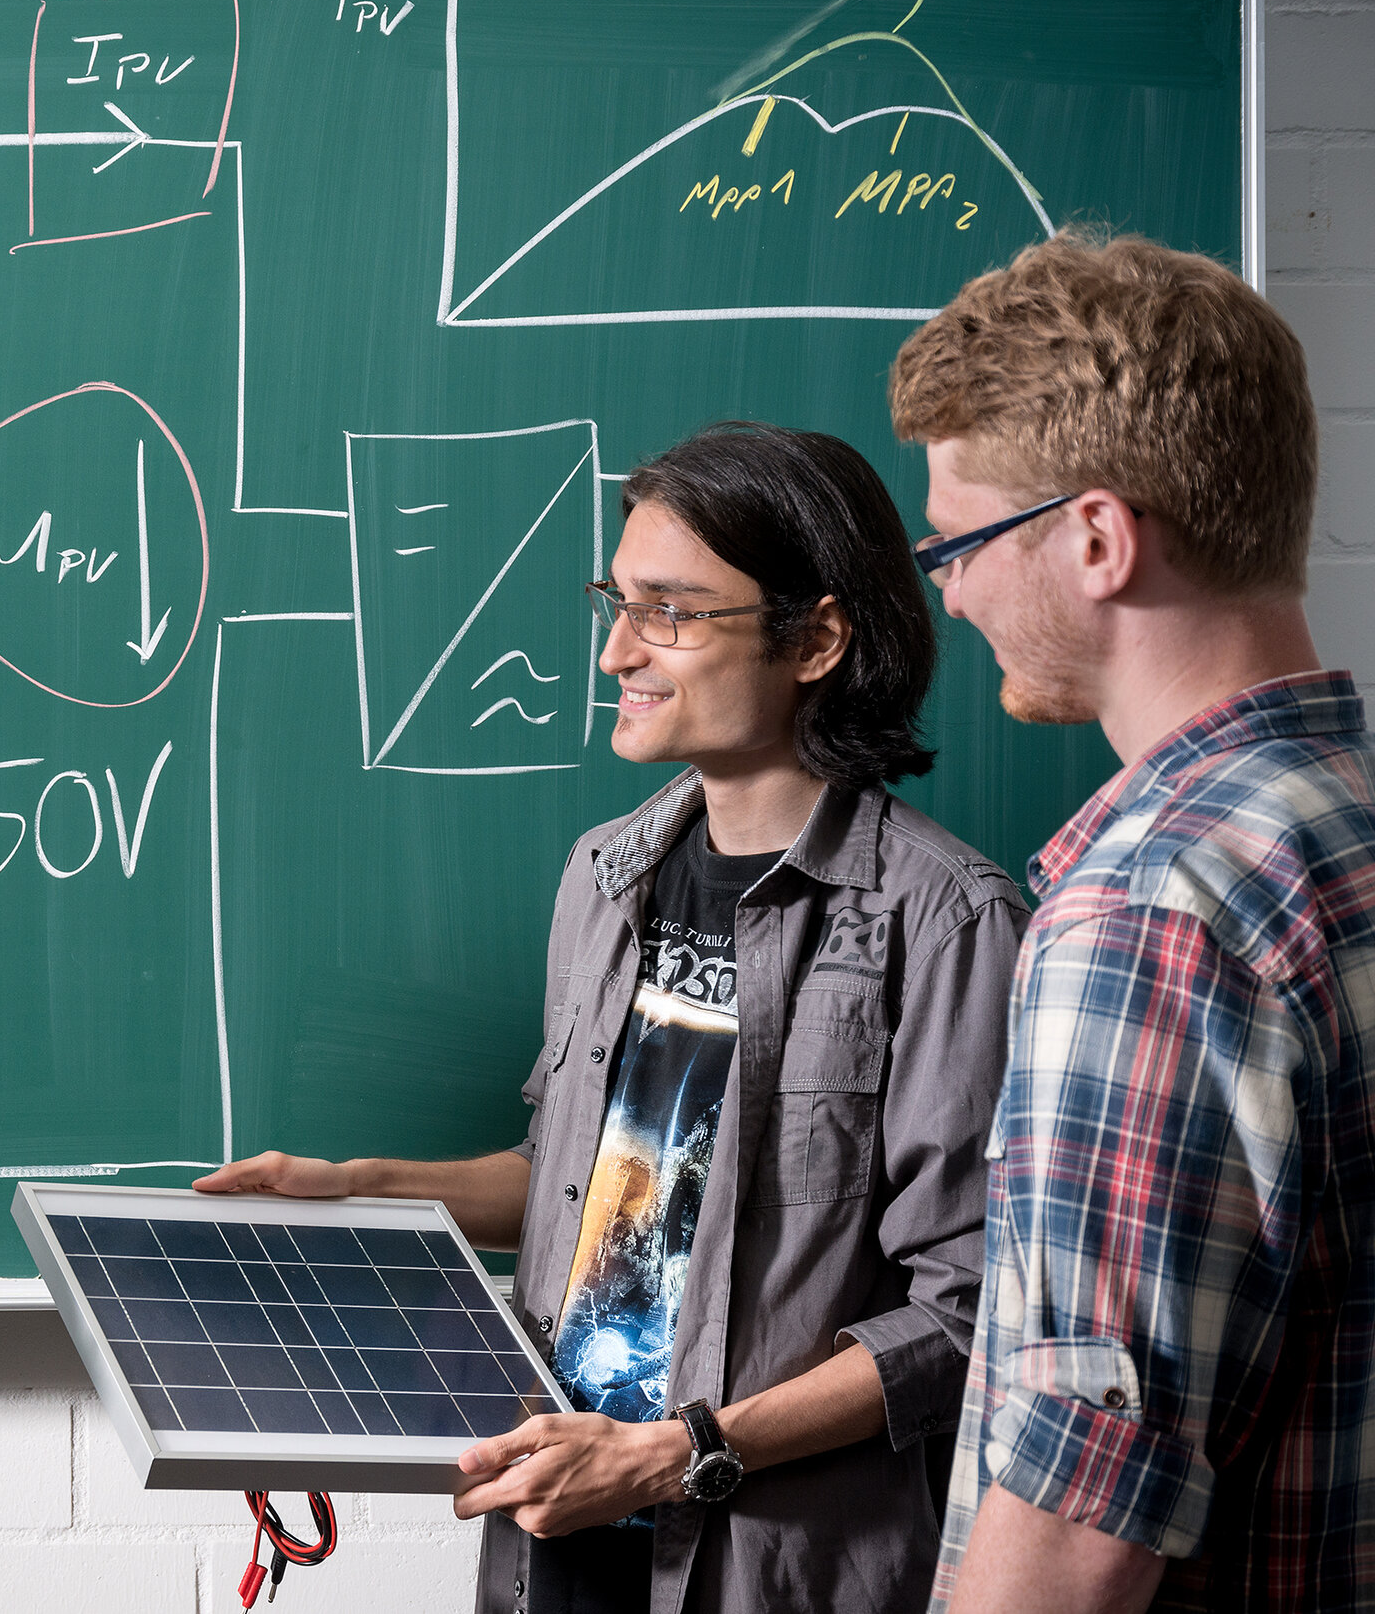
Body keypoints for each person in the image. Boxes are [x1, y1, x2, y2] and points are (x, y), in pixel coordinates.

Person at [199, 424, 1028, 1614]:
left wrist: (681, 1447)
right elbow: (587, 1180)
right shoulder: (604, 878)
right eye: (617, 600)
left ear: (817, 637)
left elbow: (968, 1307)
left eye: (672, 612)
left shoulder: (944, 922)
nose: (616, 651)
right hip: (560, 1536)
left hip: (771, 1561)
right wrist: (359, 1186)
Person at [895, 232, 1374, 1612]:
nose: (953, 587)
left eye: (964, 541)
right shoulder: (1337, 822)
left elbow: (1080, 1511)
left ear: (1098, 539)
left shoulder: (1152, 909)